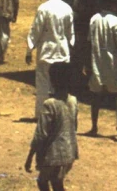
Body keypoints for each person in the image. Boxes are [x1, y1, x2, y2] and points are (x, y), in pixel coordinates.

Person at [24, 62, 79, 191]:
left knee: (42, 182)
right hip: (69, 151)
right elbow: (74, 127)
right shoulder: (73, 101)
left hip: (53, 154)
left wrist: (30, 156)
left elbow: (41, 134)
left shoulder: (50, 104)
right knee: (57, 182)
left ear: (52, 80)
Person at [27, 0, 75, 120]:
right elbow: (70, 33)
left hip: (46, 52)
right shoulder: (67, 8)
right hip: (62, 52)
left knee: (43, 83)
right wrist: (70, 48)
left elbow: (36, 30)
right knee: (60, 84)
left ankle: (42, 115)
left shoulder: (44, 8)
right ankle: (61, 114)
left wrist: (30, 48)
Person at [85, 6, 117, 140]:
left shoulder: (94, 19)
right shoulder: (116, 21)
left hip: (97, 62)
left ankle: (94, 126)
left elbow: (89, 42)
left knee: (95, 95)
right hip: (113, 63)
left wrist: (87, 63)